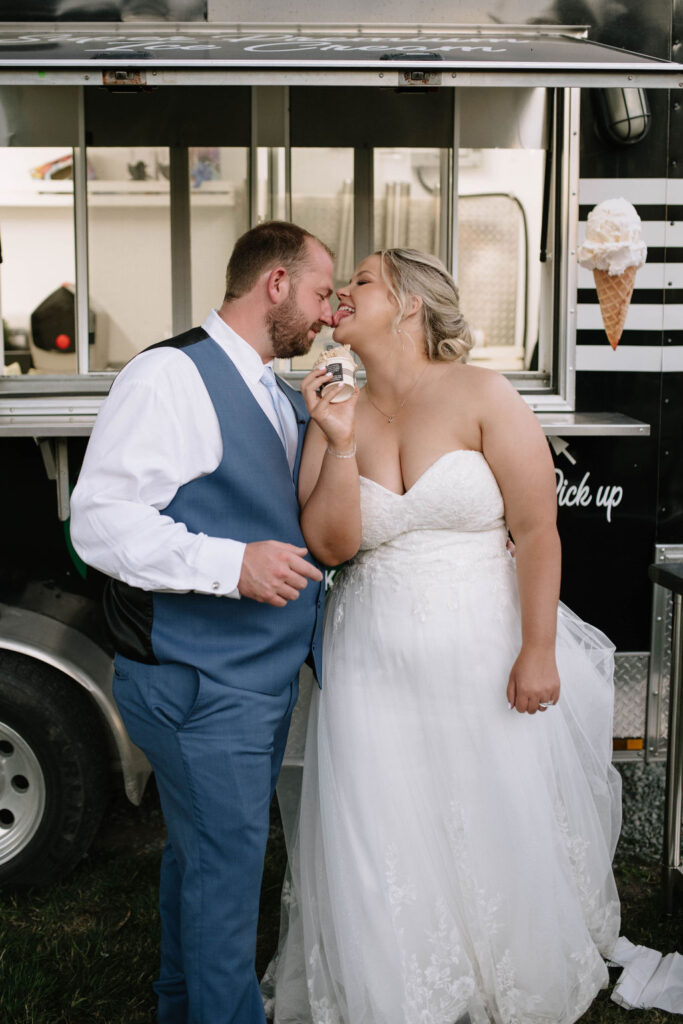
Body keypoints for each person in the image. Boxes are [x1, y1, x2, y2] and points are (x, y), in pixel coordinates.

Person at [265, 248, 621, 1024]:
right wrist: (337, 434)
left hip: (481, 647)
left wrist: (535, 650)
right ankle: (396, 980)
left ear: (408, 305)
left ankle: (501, 964)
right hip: (368, 657)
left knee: (485, 805)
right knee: (379, 816)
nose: (340, 296)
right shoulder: (332, 402)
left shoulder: (482, 393)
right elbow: (328, 546)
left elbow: (536, 531)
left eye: (359, 281)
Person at [70, 221, 335, 1024]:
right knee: (225, 875)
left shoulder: (272, 387)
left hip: (244, 683)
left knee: (200, 861)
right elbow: (101, 521)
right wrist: (234, 565)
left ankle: (178, 1005)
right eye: (321, 294)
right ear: (276, 285)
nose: (327, 315)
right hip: (200, 686)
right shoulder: (168, 377)